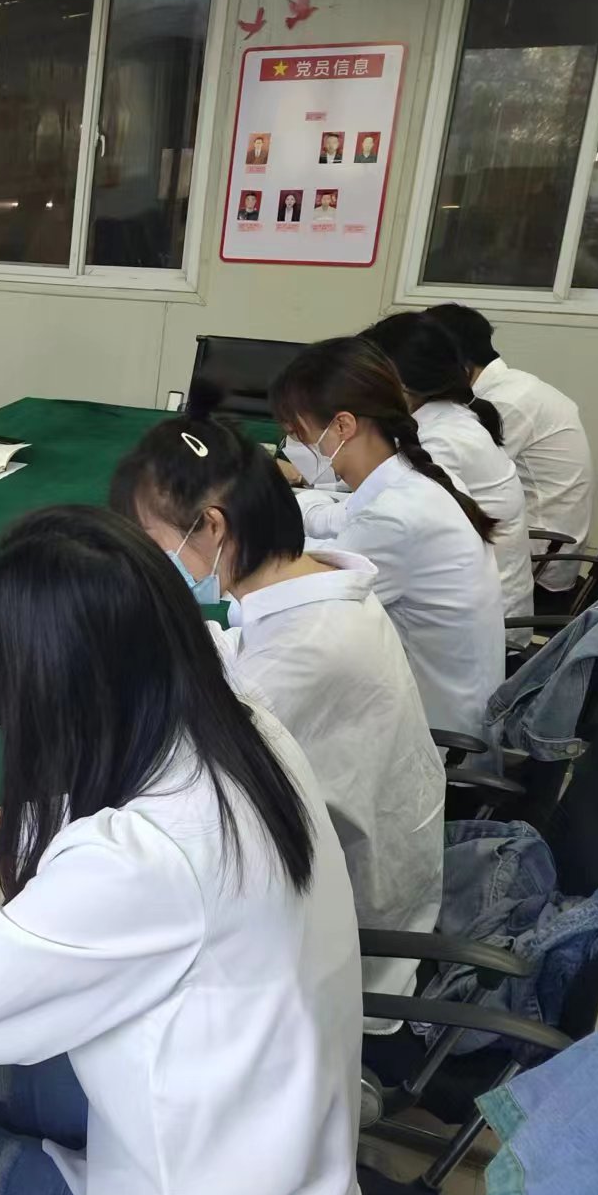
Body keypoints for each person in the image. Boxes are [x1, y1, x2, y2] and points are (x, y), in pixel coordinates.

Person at [0, 506, 361, 1195]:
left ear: (58, 696)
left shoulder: (142, 862)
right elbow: (105, 808)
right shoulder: (239, 722)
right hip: (263, 1134)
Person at [111, 415, 445, 1014]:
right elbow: (238, 653)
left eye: (153, 542)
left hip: (330, 954)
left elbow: (168, 800)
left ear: (212, 527)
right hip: (356, 871)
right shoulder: (312, 580)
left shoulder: (304, 651)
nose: (152, 561)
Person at [271, 337, 504, 739]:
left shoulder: (396, 515)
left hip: (437, 735)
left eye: (296, 433)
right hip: (437, 703)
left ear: (342, 426)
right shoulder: (410, 480)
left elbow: (296, 609)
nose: (292, 447)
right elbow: (338, 528)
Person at [363, 311, 532, 645]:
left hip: (482, 627)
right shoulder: (447, 418)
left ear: (401, 383)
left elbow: (383, 522)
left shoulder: (442, 440)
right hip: (459, 602)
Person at [430, 301, 594, 612]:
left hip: (539, 556)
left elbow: (444, 477)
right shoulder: (512, 387)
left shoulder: (508, 402)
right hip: (528, 538)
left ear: (454, 360)